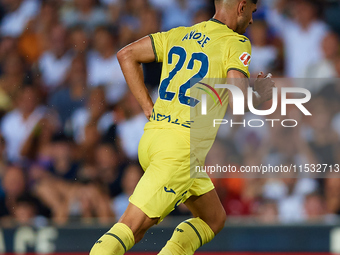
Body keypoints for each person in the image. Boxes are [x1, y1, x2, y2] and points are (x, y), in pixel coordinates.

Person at [90, 0, 275, 254]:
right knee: (131, 227)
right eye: (252, 12)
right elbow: (238, 103)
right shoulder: (236, 42)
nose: (252, 21)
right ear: (242, 7)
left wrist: (148, 107)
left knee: (214, 219)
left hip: (154, 140)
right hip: (179, 152)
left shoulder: (180, 34)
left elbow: (126, 54)